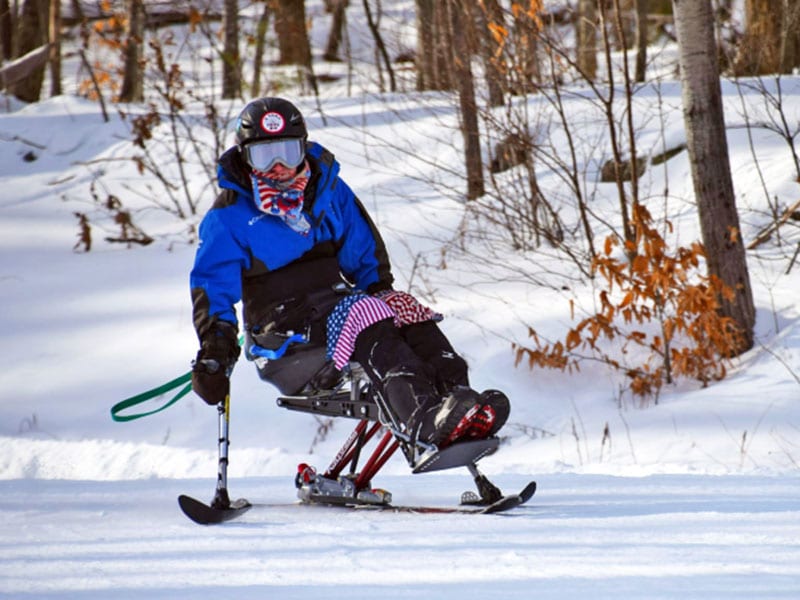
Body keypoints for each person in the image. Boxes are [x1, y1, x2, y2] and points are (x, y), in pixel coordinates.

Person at [189, 97, 509, 454]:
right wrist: (215, 348)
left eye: (288, 153)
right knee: (364, 312)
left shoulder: (327, 192)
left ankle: (457, 405)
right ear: (245, 158)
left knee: (401, 308)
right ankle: (420, 415)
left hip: (339, 305)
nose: (278, 167)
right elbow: (211, 286)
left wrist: (384, 294)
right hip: (282, 334)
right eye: (265, 156)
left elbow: (364, 252)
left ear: (303, 149)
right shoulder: (229, 216)